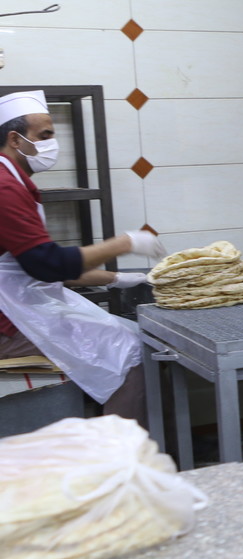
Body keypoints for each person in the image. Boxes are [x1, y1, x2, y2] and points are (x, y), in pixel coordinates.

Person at [0, 90, 168, 425]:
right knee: (133, 353)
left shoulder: (16, 182)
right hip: (8, 322)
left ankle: (139, 440)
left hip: (19, 303)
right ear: (15, 140)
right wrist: (125, 243)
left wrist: (120, 278)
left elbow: (33, 265)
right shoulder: (5, 187)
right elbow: (48, 266)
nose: (52, 143)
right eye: (44, 135)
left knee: (133, 337)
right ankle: (120, 461)